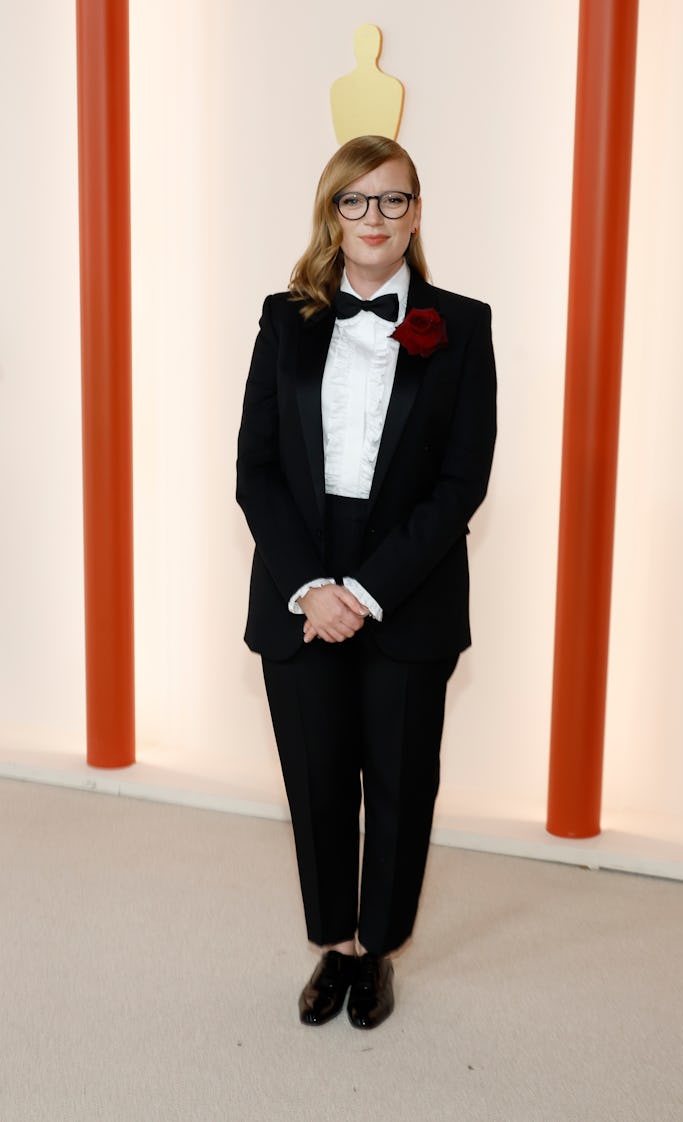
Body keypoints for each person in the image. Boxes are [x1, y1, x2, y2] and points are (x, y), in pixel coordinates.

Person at [236, 134, 496, 1029]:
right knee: (314, 777)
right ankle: (333, 947)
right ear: (332, 214)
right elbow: (255, 469)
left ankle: (378, 949)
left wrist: (369, 590)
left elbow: (462, 482)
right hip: (300, 573)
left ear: (416, 213)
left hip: (409, 577)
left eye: (392, 200)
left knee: (397, 778)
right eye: (356, 201)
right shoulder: (284, 317)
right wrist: (312, 586)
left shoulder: (463, 324)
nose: (374, 218)